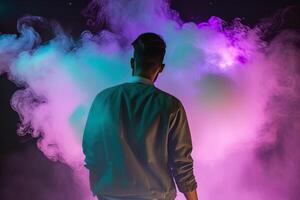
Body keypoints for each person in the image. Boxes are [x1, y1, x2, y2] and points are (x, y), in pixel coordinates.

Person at [82, 32, 198, 200]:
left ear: (132, 62)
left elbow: (91, 152)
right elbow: (182, 164)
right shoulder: (172, 106)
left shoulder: (104, 99)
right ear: (161, 68)